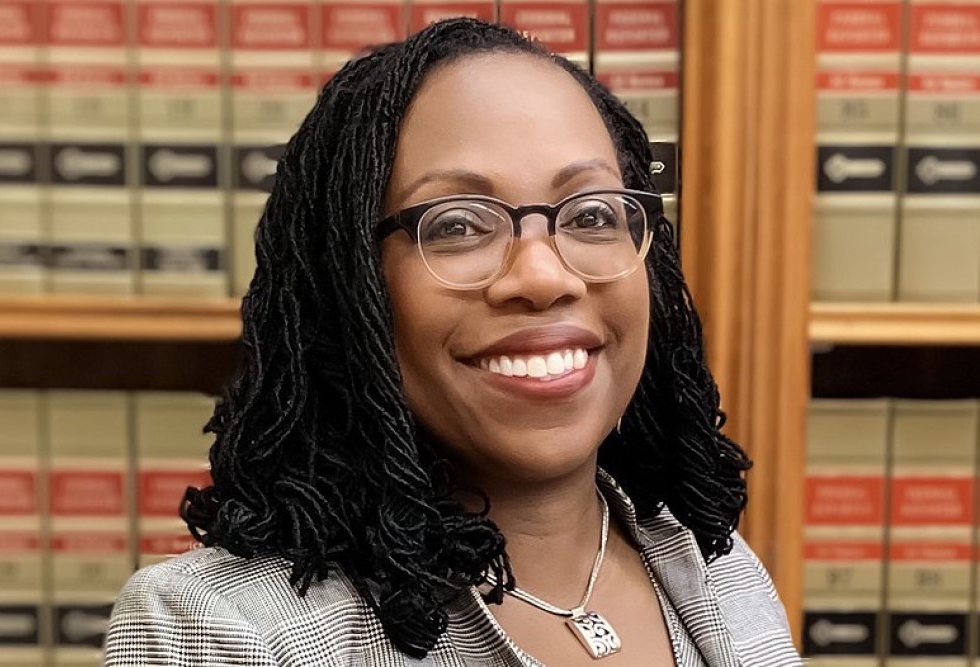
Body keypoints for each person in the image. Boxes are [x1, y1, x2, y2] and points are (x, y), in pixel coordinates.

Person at [104, 18, 801, 666]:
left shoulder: (713, 563)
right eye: (458, 225)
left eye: (590, 213)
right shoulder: (226, 627)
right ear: (349, 282)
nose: (541, 275)